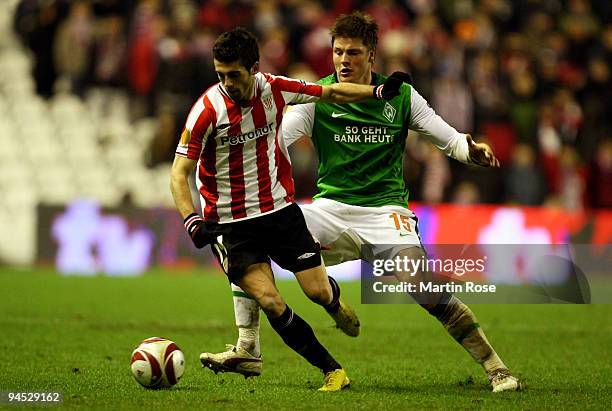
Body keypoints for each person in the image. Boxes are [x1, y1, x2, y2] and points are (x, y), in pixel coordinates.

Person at [200, 13, 521, 393]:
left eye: (353, 52)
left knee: (421, 283)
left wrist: (472, 151)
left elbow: (447, 138)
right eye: (338, 52)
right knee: (250, 236)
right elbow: (276, 142)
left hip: (386, 213)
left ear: (372, 55)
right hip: (329, 209)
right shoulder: (315, 96)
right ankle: (247, 347)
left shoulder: (399, 96)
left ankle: (495, 366)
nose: (343, 60)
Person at [170, 27, 405, 392]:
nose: (227, 83)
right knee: (270, 299)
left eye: (234, 75)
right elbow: (179, 173)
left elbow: (331, 92)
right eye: (220, 75)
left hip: (280, 212)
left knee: (318, 292)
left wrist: (377, 92)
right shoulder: (206, 111)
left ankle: (333, 303)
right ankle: (332, 370)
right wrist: (191, 219)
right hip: (232, 226)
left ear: (254, 68)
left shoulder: (275, 88)